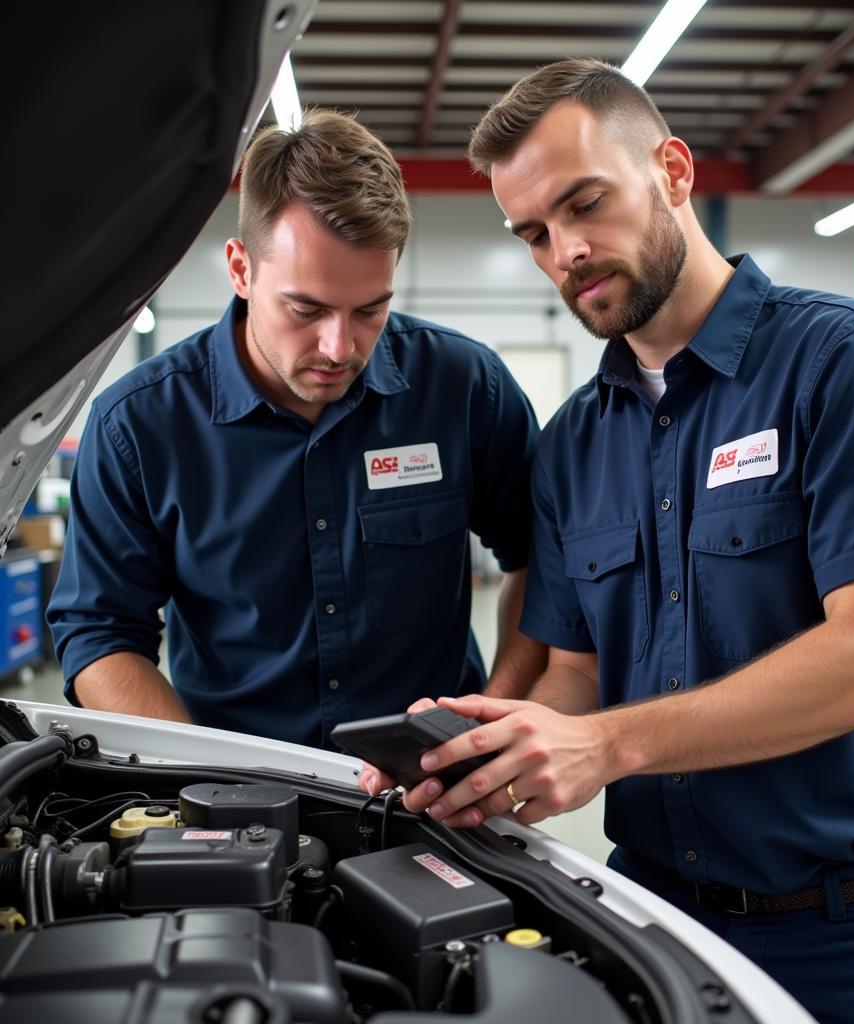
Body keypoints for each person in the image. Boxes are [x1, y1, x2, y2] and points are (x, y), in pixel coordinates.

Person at [373, 60, 854, 1023]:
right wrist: (486, 751)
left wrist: (603, 746)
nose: (567, 250)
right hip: (657, 922)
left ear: (672, 168)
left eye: (586, 203)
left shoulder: (849, 362)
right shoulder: (575, 440)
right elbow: (574, 675)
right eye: (534, 234)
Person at [47, 109, 545, 748]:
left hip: (433, 783)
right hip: (237, 794)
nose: (339, 346)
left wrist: (483, 726)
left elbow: (540, 559)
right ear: (241, 269)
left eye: (371, 310)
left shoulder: (463, 386)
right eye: (305, 309)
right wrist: (208, 776)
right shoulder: (139, 426)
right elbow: (100, 632)